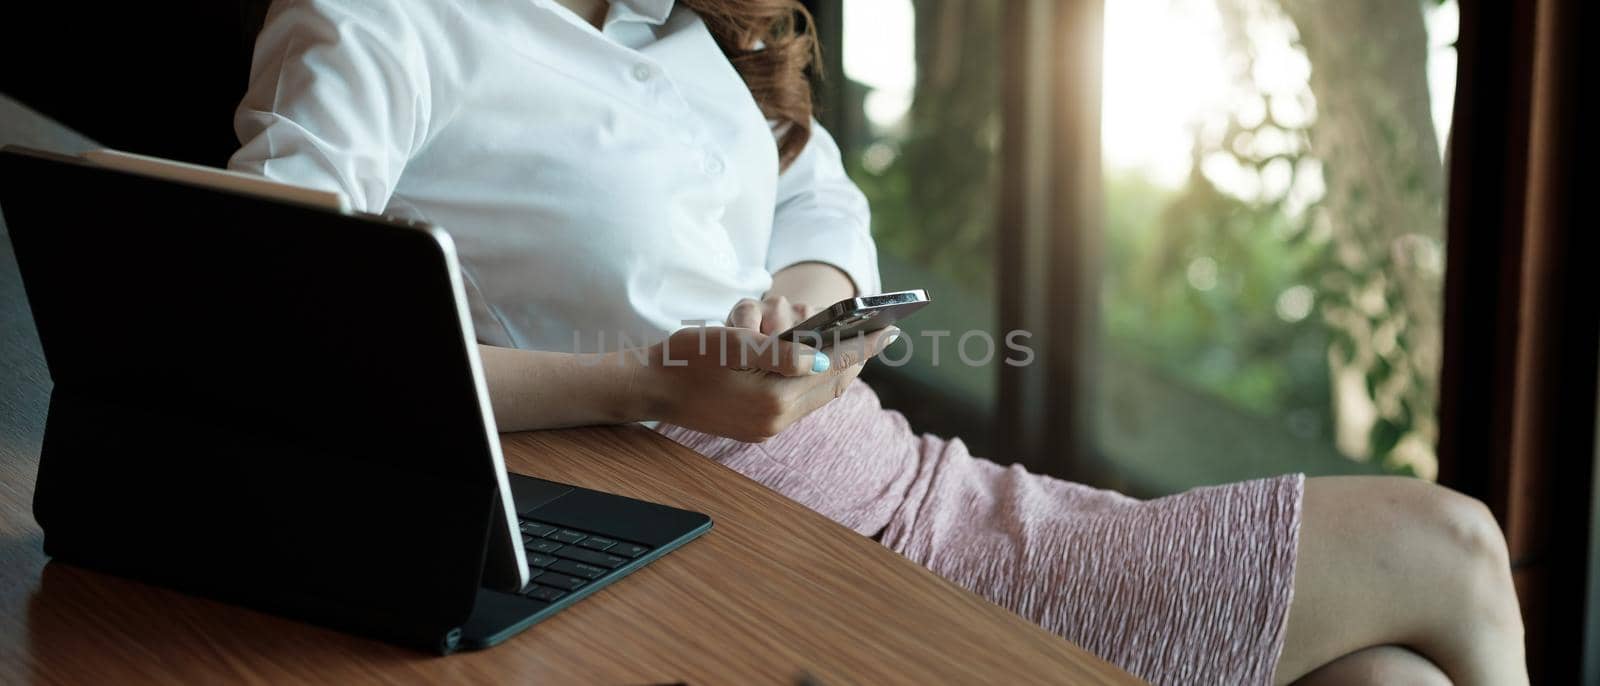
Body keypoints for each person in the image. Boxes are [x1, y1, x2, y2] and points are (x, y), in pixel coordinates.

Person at [227, 0, 1527, 682]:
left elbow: (816, 186)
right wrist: (653, 380)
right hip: (757, 550)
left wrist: (800, 298)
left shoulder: (670, 18)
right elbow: (288, 332)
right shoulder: (385, 18)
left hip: (896, 479)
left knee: (1392, 681)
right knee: (1452, 546)